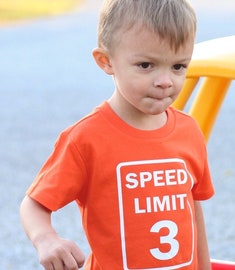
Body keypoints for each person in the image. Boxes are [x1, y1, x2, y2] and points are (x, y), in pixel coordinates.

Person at [20, 0, 214, 269]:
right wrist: (47, 239)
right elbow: (34, 205)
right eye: (146, 65)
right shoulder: (86, 138)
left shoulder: (189, 131)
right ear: (106, 61)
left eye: (178, 66)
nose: (165, 81)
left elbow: (192, 211)